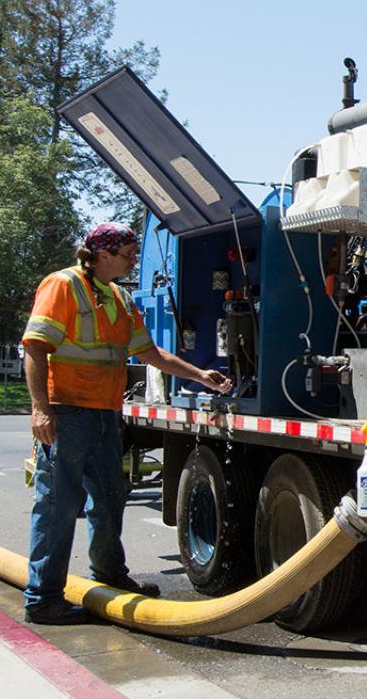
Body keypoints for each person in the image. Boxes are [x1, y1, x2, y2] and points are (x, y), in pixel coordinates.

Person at [21, 222, 233, 625]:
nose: (134, 259)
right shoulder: (62, 286)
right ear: (103, 255)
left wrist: (199, 374)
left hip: (104, 414)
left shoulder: (119, 296)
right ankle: (43, 598)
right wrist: (40, 408)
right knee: (58, 506)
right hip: (66, 412)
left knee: (109, 498)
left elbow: (150, 353)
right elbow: (34, 348)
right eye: (127, 253)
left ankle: (110, 576)